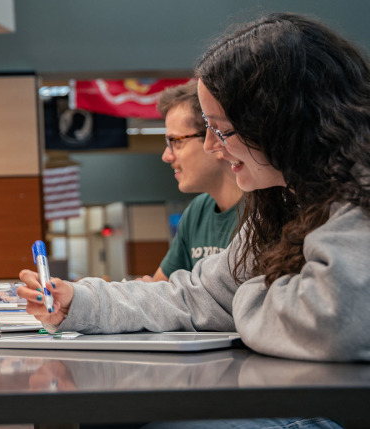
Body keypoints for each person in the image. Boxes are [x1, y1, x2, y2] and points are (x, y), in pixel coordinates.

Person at [19, 13, 370, 428]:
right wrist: (82, 301)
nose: (211, 146)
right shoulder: (283, 201)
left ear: (281, 122)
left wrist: (243, 298)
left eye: (221, 130)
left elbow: (334, 323)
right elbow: (195, 295)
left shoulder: (356, 196)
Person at [149, 81, 243, 281]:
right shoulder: (198, 211)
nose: (167, 156)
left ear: (217, 140)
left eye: (176, 142)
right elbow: (158, 288)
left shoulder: (267, 213)